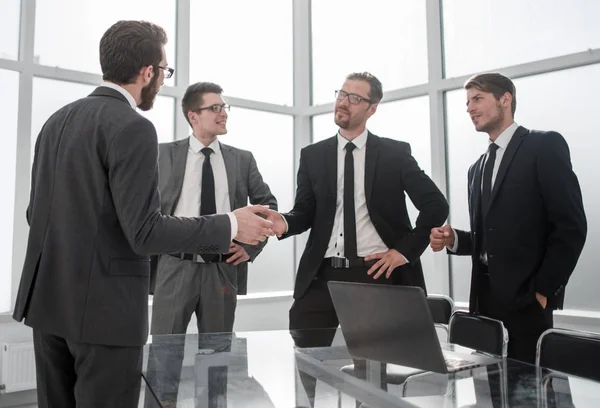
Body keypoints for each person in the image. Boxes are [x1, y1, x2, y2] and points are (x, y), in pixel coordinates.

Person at [12, 20, 273, 408]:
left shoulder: (56, 121)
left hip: (49, 305)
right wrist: (231, 223)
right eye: (164, 71)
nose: (163, 80)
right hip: (104, 314)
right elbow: (145, 232)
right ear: (147, 72)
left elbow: (39, 215)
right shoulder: (132, 126)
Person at [266, 71, 448, 402]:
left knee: (370, 375)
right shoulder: (313, 155)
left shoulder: (394, 153)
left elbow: (436, 206)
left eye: (354, 97)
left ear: (372, 108)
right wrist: (284, 223)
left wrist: (402, 252)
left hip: (374, 275)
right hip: (321, 276)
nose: (343, 101)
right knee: (304, 365)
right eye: (341, 93)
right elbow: (305, 213)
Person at [430, 72, 587, 364]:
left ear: (505, 99)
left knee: (529, 392)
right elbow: (491, 238)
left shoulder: (543, 146)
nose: (469, 108)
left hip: (527, 301)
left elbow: (571, 227)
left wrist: (543, 290)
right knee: (489, 391)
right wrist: (455, 239)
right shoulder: (476, 169)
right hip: (484, 303)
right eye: (467, 102)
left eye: (477, 99)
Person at [148, 82, 277, 405]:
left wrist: (251, 248)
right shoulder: (162, 154)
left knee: (216, 358)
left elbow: (267, 207)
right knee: (164, 356)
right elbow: (145, 209)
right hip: (174, 267)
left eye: (224, 107)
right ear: (193, 116)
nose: (223, 114)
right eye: (215, 108)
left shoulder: (241, 160)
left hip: (222, 271)